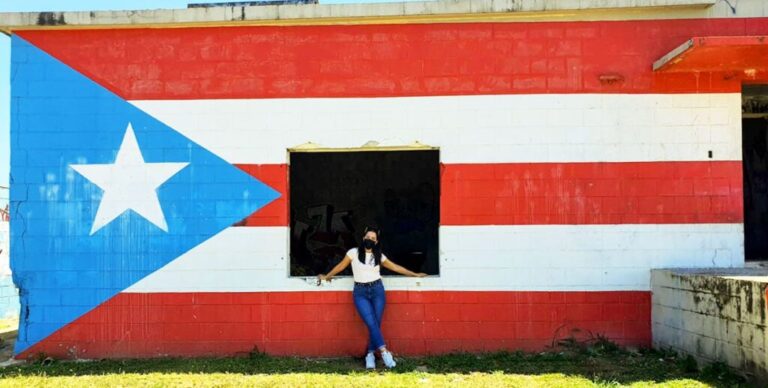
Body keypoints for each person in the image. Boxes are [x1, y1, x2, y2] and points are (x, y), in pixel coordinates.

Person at [318, 226, 427, 369]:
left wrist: (415, 274)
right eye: (368, 237)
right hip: (360, 292)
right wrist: (327, 276)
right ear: (363, 238)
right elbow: (339, 267)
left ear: (376, 242)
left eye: (373, 239)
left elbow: (396, 268)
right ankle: (384, 352)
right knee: (371, 323)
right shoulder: (353, 253)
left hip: (377, 291)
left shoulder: (379, 255)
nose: (369, 240)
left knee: (375, 324)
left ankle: (370, 355)